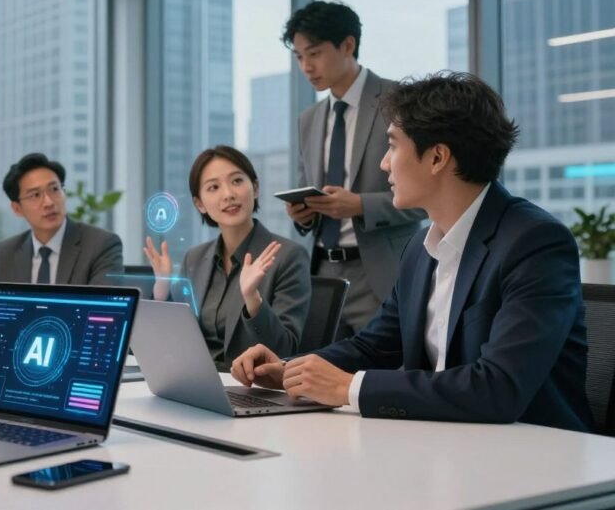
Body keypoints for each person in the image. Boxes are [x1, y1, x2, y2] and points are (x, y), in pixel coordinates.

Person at [231, 72, 592, 432]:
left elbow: (498, 388)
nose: (384, 164)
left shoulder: (535, 242)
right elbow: (376, 346)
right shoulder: (420, 249)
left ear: (437, 158)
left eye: (392, 146)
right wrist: (290, 370)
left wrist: (346, 388)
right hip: (444, 441)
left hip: (536, 452)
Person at [282, 1, 425, 338]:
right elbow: (309, 187)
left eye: (314, 53)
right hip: (321, 271)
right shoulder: (309, 119)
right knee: (318, 377)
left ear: (348, 45)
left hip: (380, 270)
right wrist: (303, 214)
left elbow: (426, 197)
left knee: (382, 376)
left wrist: (359, 205)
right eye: (300, 57)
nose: (306, 66)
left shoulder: (400, 101)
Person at [143, 146, 310, 367]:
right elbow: (172, 342)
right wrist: (162, 290)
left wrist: (252, 299)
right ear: (200, 204)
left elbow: (284, 350)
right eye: (213, 187)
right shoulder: (194, 259)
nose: (228, 194)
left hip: (252, 388)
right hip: (198, 382)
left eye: (237, 181)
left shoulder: (288, 257)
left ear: (256, 187)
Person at [0, 152, 124, 308]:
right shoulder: (7, 252)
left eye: (55, 189)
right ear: (17, 208)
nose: (49, 202)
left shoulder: (100, 245)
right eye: (35, 195)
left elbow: (103, 311)